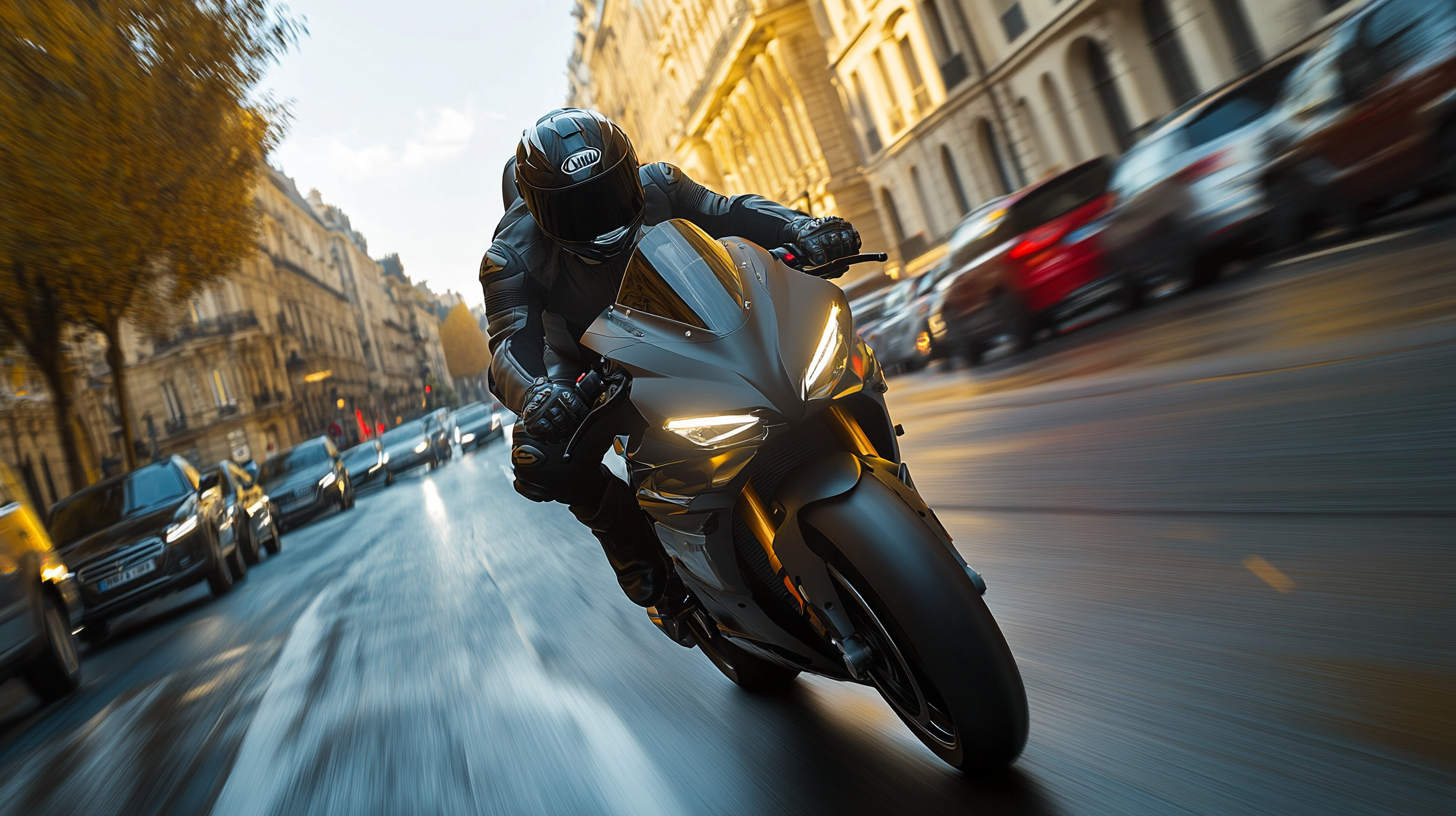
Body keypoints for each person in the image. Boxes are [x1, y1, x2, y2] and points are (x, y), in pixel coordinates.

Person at [479, 108, 861, 612]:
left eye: (610, 192)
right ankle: (647, 570)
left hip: (697, 321)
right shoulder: (510, 256)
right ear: (539, 213)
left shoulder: (660, 184)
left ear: (629, 170)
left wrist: (805, 228)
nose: (600, 215)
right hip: (587, 369)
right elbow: (509, 345)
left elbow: (734, 212)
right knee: (541, 461)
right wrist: (538, 393)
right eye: (576, 209)